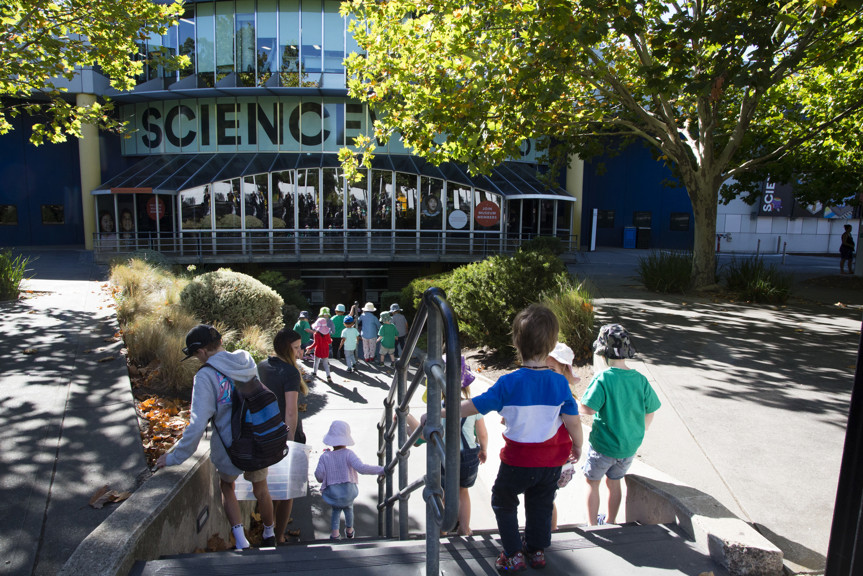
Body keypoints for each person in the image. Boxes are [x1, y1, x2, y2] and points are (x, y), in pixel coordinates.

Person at [427, 304, 583, 571]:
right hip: (549, 463)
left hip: (518, 461)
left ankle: (513, 553)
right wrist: (578, 444)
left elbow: (474, 405)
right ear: (552, 345)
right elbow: (573, 420)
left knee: (503, 500)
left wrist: (441, 412)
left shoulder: (508, 383)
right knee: (541, 504)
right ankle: (535, 551)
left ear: (516, 344)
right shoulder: (560, 384)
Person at [155, 325, 277, 549]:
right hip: (258, 438)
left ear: (201, 351)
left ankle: (241, 541)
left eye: (195, 355)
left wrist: (175, 457)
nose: (196, 360)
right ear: (220, 341)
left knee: (227, 487)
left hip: (230, 446)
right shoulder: (245, 359)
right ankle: (270, 533)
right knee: (262, 488)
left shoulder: (205, 376)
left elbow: (198, 422)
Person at [579, 323, 661, 527]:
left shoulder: (603, 378)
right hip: (628, 448)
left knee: (592, 482)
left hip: (603, 446)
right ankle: (611, 520)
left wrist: (572, 404)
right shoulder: (640, 380)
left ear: (603, 352)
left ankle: (591, 524)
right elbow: (651, 409)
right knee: (614, 482)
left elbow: (588, 409)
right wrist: (642, 429)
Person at [407, 356, 488, 536]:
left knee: (442, 492)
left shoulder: (438, 409)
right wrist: (483, 449)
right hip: (468, 456)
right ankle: (464, 528)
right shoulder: (473, 406)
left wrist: (408, 419)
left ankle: (443, 529)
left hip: (445, 456)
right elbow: (482, 433)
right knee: (462, 492)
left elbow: (424, 434)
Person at [257, 328, 308, 544]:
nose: (300, 352)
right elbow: (290, 411)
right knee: (287, 492)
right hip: (285, 435)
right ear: (287, 348)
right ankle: (278, 537)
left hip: (263, 434)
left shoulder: (261, 366)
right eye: (296, 348)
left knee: (269, 489)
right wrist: (289, 443)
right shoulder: (290, 372)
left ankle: (269, 531)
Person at [315, 420, 385, 540]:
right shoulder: (349, 454)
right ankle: (349, 530)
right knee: (348, 508)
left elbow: (319, 477)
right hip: (348, 492)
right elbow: (362, 468)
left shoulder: (324, 457)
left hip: (333, 493)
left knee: (336, 510)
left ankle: (335, 534)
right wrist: (382, 470)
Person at [545, 342, 581, 531]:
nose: (548, 373)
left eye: (552, 369)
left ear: (564, 372)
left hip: (556, 461)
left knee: (545, 499)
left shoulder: (563, 397)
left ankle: (549, 532)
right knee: (545, 499)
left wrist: (579, 445)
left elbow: (574, 423)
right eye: (545, 368)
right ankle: (548, 531)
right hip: (552, 459)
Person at [310, 317, 333, 383]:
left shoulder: (316, 334)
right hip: (325, 349)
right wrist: (331, 340)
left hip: (318, 350)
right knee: (326, 364)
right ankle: (328, 376)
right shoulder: (327, 333)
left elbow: (315, 343)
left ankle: (314, 372)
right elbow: (329, 342)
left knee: (316, 362)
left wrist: (309, 347)